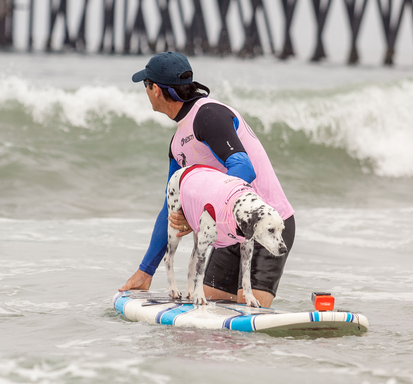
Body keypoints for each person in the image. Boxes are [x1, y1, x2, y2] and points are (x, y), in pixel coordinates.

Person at [118, 52, 295, 307]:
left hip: (266, 221)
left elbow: (244, 168)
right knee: (211, 311)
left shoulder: (209, 115)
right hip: (224, 227)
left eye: (145, 85)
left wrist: (198, 214)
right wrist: (146, 271)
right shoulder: (178, 144)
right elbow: (170, 207)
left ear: (155, 89)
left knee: (247, 308)